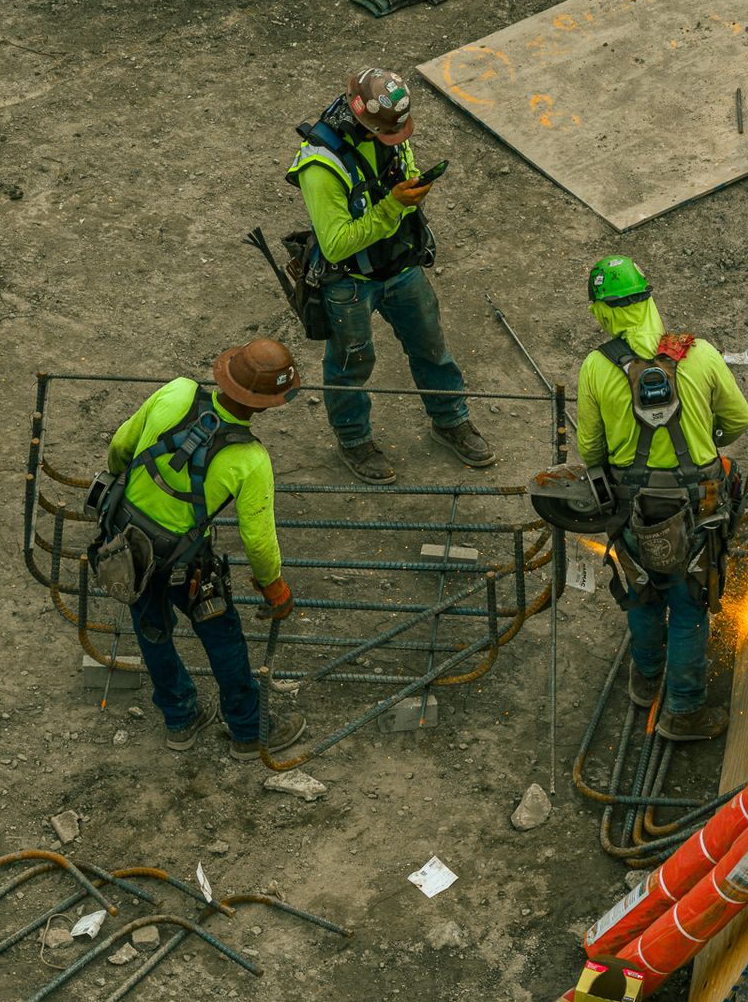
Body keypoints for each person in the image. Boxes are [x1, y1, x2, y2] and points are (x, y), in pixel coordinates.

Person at [285, 67, 493, 486]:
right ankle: (354, 440)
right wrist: (394, 206)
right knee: (350, 364)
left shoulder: (387, 130)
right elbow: (338, 244)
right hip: (349, 283)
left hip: (400, 267)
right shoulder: (319, 165)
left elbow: (403, 162)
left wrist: (410, 190)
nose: (396, 140)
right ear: (362, 120)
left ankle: (451, 420)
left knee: (431, 347)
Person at [100, 339, 306, 760]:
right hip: (186, 565)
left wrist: (128, 494)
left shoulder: (176, 391)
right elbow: (259, 541)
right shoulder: (250, 460)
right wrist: (274, 588)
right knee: (222, 637)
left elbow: (121, 446)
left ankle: (180, 720)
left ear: (226, 374)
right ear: (266, 405)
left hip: (128, 549)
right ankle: (248, 731)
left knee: (153, 632)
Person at [577, 257, 748, 742]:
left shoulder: (595, 367)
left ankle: (646, 677)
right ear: (649, 299)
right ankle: (683, 711)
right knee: (690, 601)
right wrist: (703, 438)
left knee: (641, 590)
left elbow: (590, 451)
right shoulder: (701, 355)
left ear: (602, 313)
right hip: (698, 507)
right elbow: (739, 422)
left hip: (632, 510)